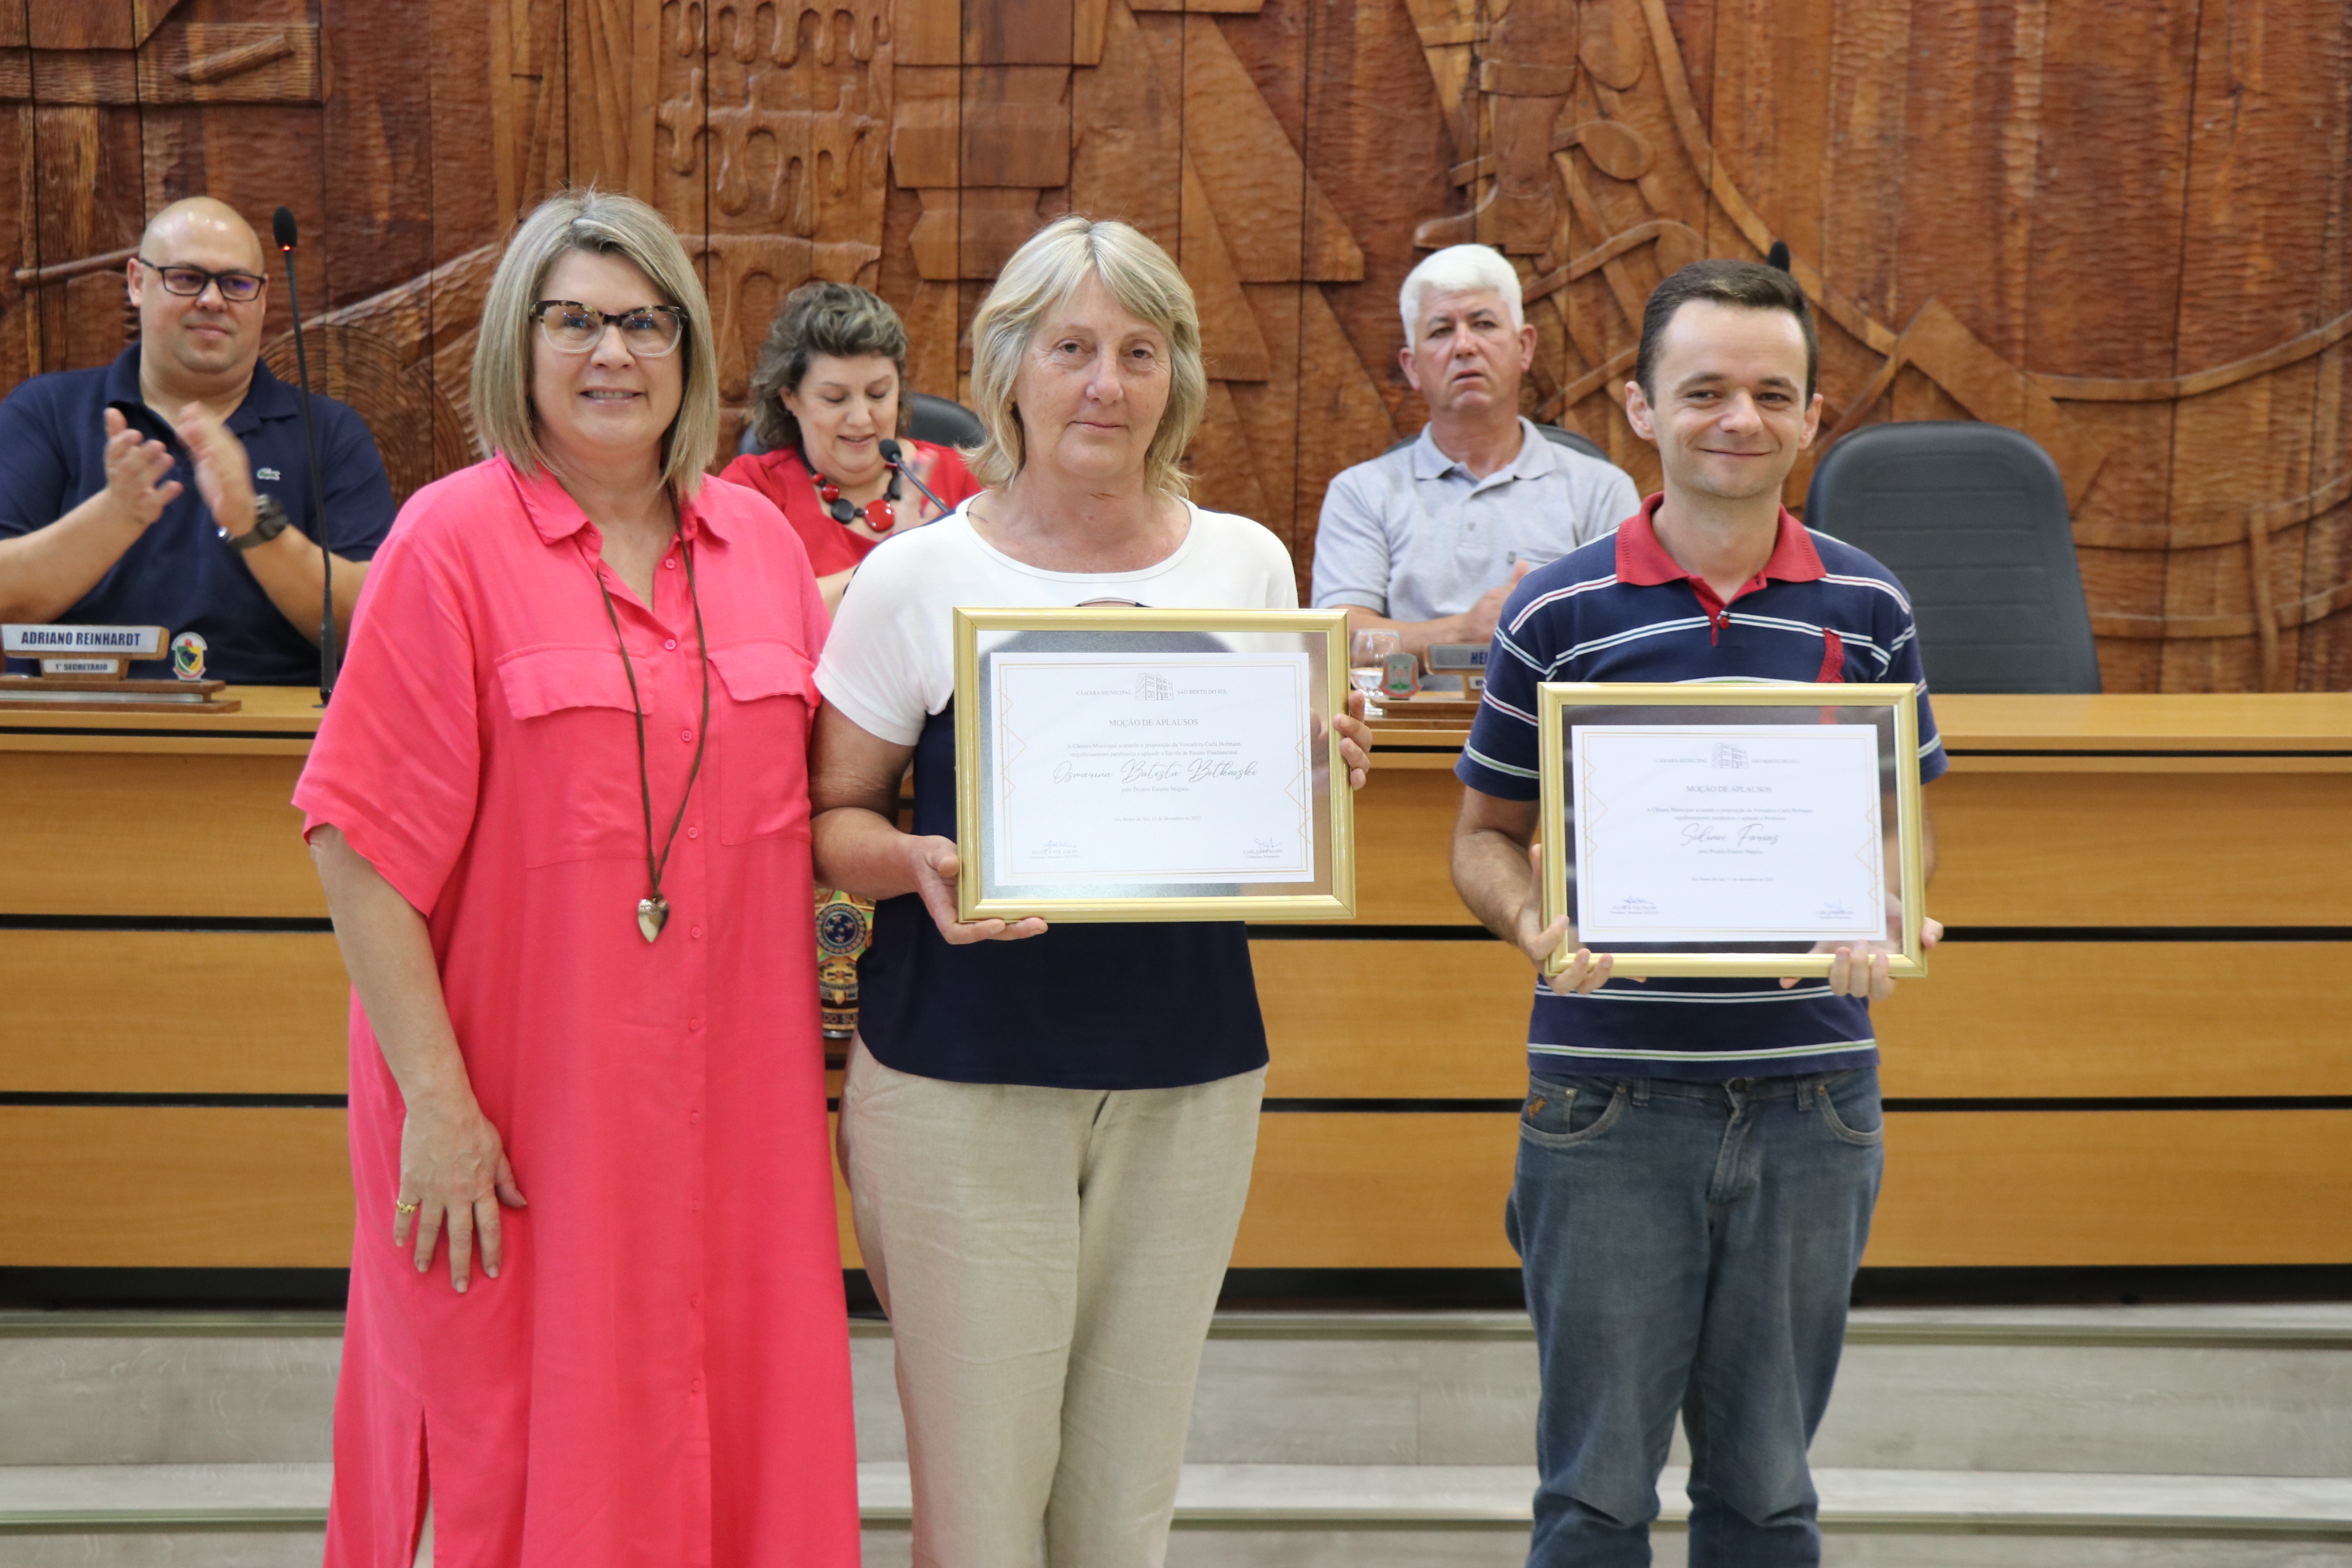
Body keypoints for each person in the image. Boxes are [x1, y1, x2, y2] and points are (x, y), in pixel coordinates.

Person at [292, 189, 857, 1566]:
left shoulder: (767, 550)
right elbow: (357, 841)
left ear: (689, 351)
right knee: (507, 1443)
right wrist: (438, 1103)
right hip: (515, 1117)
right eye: (575, 321)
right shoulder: (447, 540)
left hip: (736, 1121)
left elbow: (850, 787)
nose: (613, 353)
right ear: (519, 344)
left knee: (733, 1426)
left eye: (644, 321)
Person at [808, 213, 1374, 1568]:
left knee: (1125, 1493)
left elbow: (1252, 823)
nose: (1104, 383)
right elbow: (829, 822)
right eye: (1070, 347)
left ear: (1175, 372)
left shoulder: (1246, 562)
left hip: (1186, 1075)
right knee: (984, 1497)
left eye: (1138, 348)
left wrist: (1316, 769)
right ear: (1010, 366)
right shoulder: (916, 574)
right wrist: (918, 864)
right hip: (961, 1076)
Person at [1449, 258, 1946, 1567]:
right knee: (1595, 1501)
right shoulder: (1558, 611)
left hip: (1812, 1100)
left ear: (1811, 417)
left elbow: (1902, 821)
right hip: (1608, 1102)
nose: (1740, 417)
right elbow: (1482, 837)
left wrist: (1890, 909)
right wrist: (1534, 928)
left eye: (1772, 393)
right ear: (1638, 407)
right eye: (1706, 388)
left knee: (1769, 1498)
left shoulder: (1871, 605)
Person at [0, 196, 394, 682]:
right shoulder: (45, 411)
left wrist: (251, 521)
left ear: (263, 297)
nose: (212, 300)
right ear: (137, 282)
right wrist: (114, 516)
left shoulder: (329, 432)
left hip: (273, 742)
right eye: (187, 278)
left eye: (236, 283)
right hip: (81, 737)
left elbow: (375, 623)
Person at [1310, 243, 1638, 658]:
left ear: (1524, 347)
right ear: (1412, 367)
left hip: (1547, 721)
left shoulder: (1600, 490)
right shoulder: (1361, 491)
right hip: (1407, 722)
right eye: (1441, 331)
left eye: (1483, 324)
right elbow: (1340, 640)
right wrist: (1463, 633)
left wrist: (1529, 625)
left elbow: (1630, 633)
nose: (1464, 346)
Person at [720, 281, 982, 614]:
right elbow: (753, 616)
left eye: (878, 394)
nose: (860, 419)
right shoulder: (754, 490)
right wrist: (891, 565)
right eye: (835, 398)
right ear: (791, 397)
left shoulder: (963, 478)